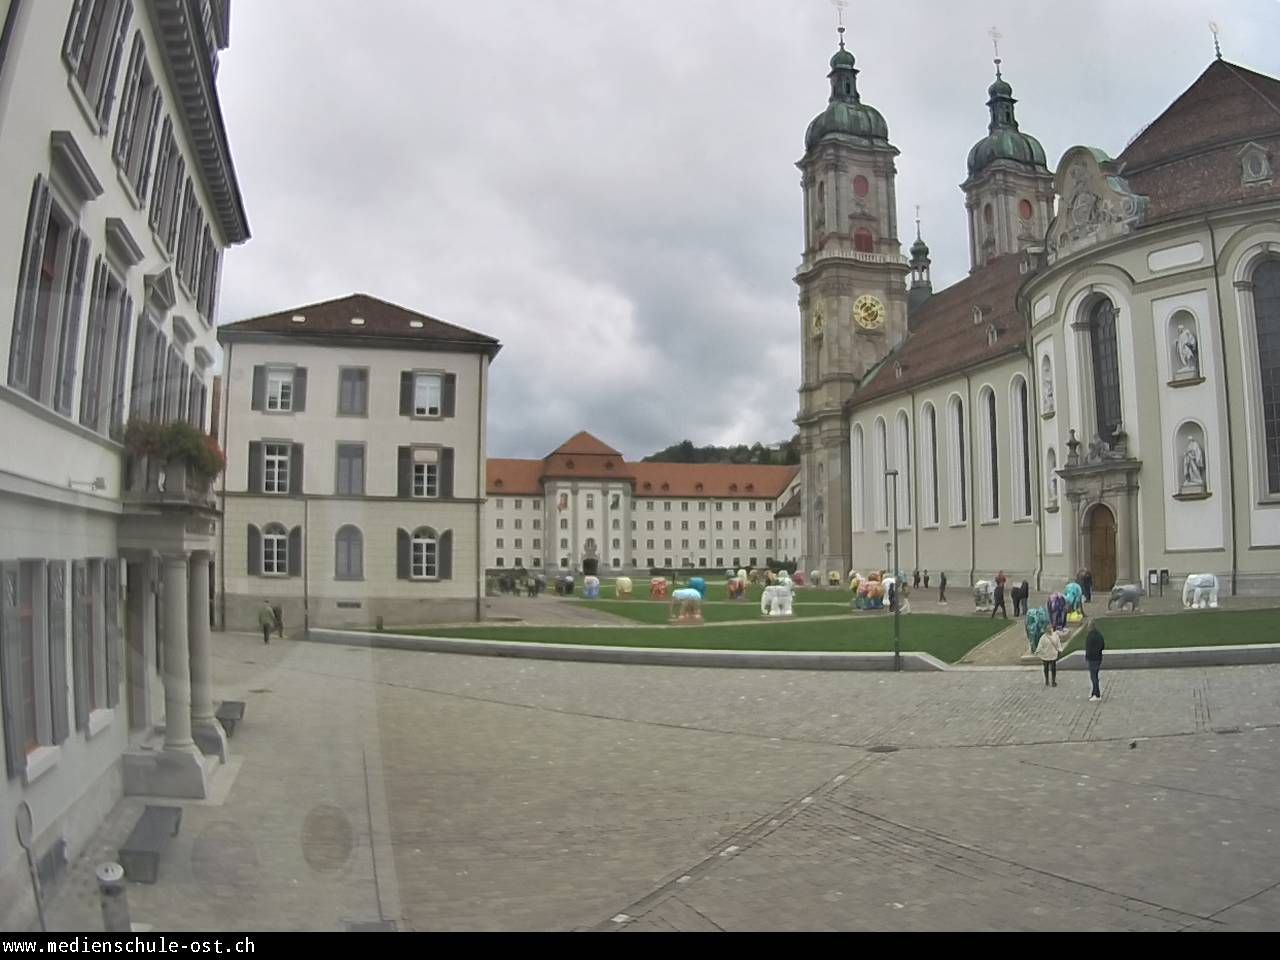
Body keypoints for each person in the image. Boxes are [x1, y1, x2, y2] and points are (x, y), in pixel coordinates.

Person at [1085, 619, 1105, 701]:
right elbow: (1102, 645)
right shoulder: (1099, 634)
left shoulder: (1091, 636)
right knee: (1095, 676)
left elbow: (1089, 648)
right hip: (1098, 658)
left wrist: (1089, 655)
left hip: (1093, 658)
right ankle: (1094, 692)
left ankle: (1097, 694)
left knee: (1094, 677)